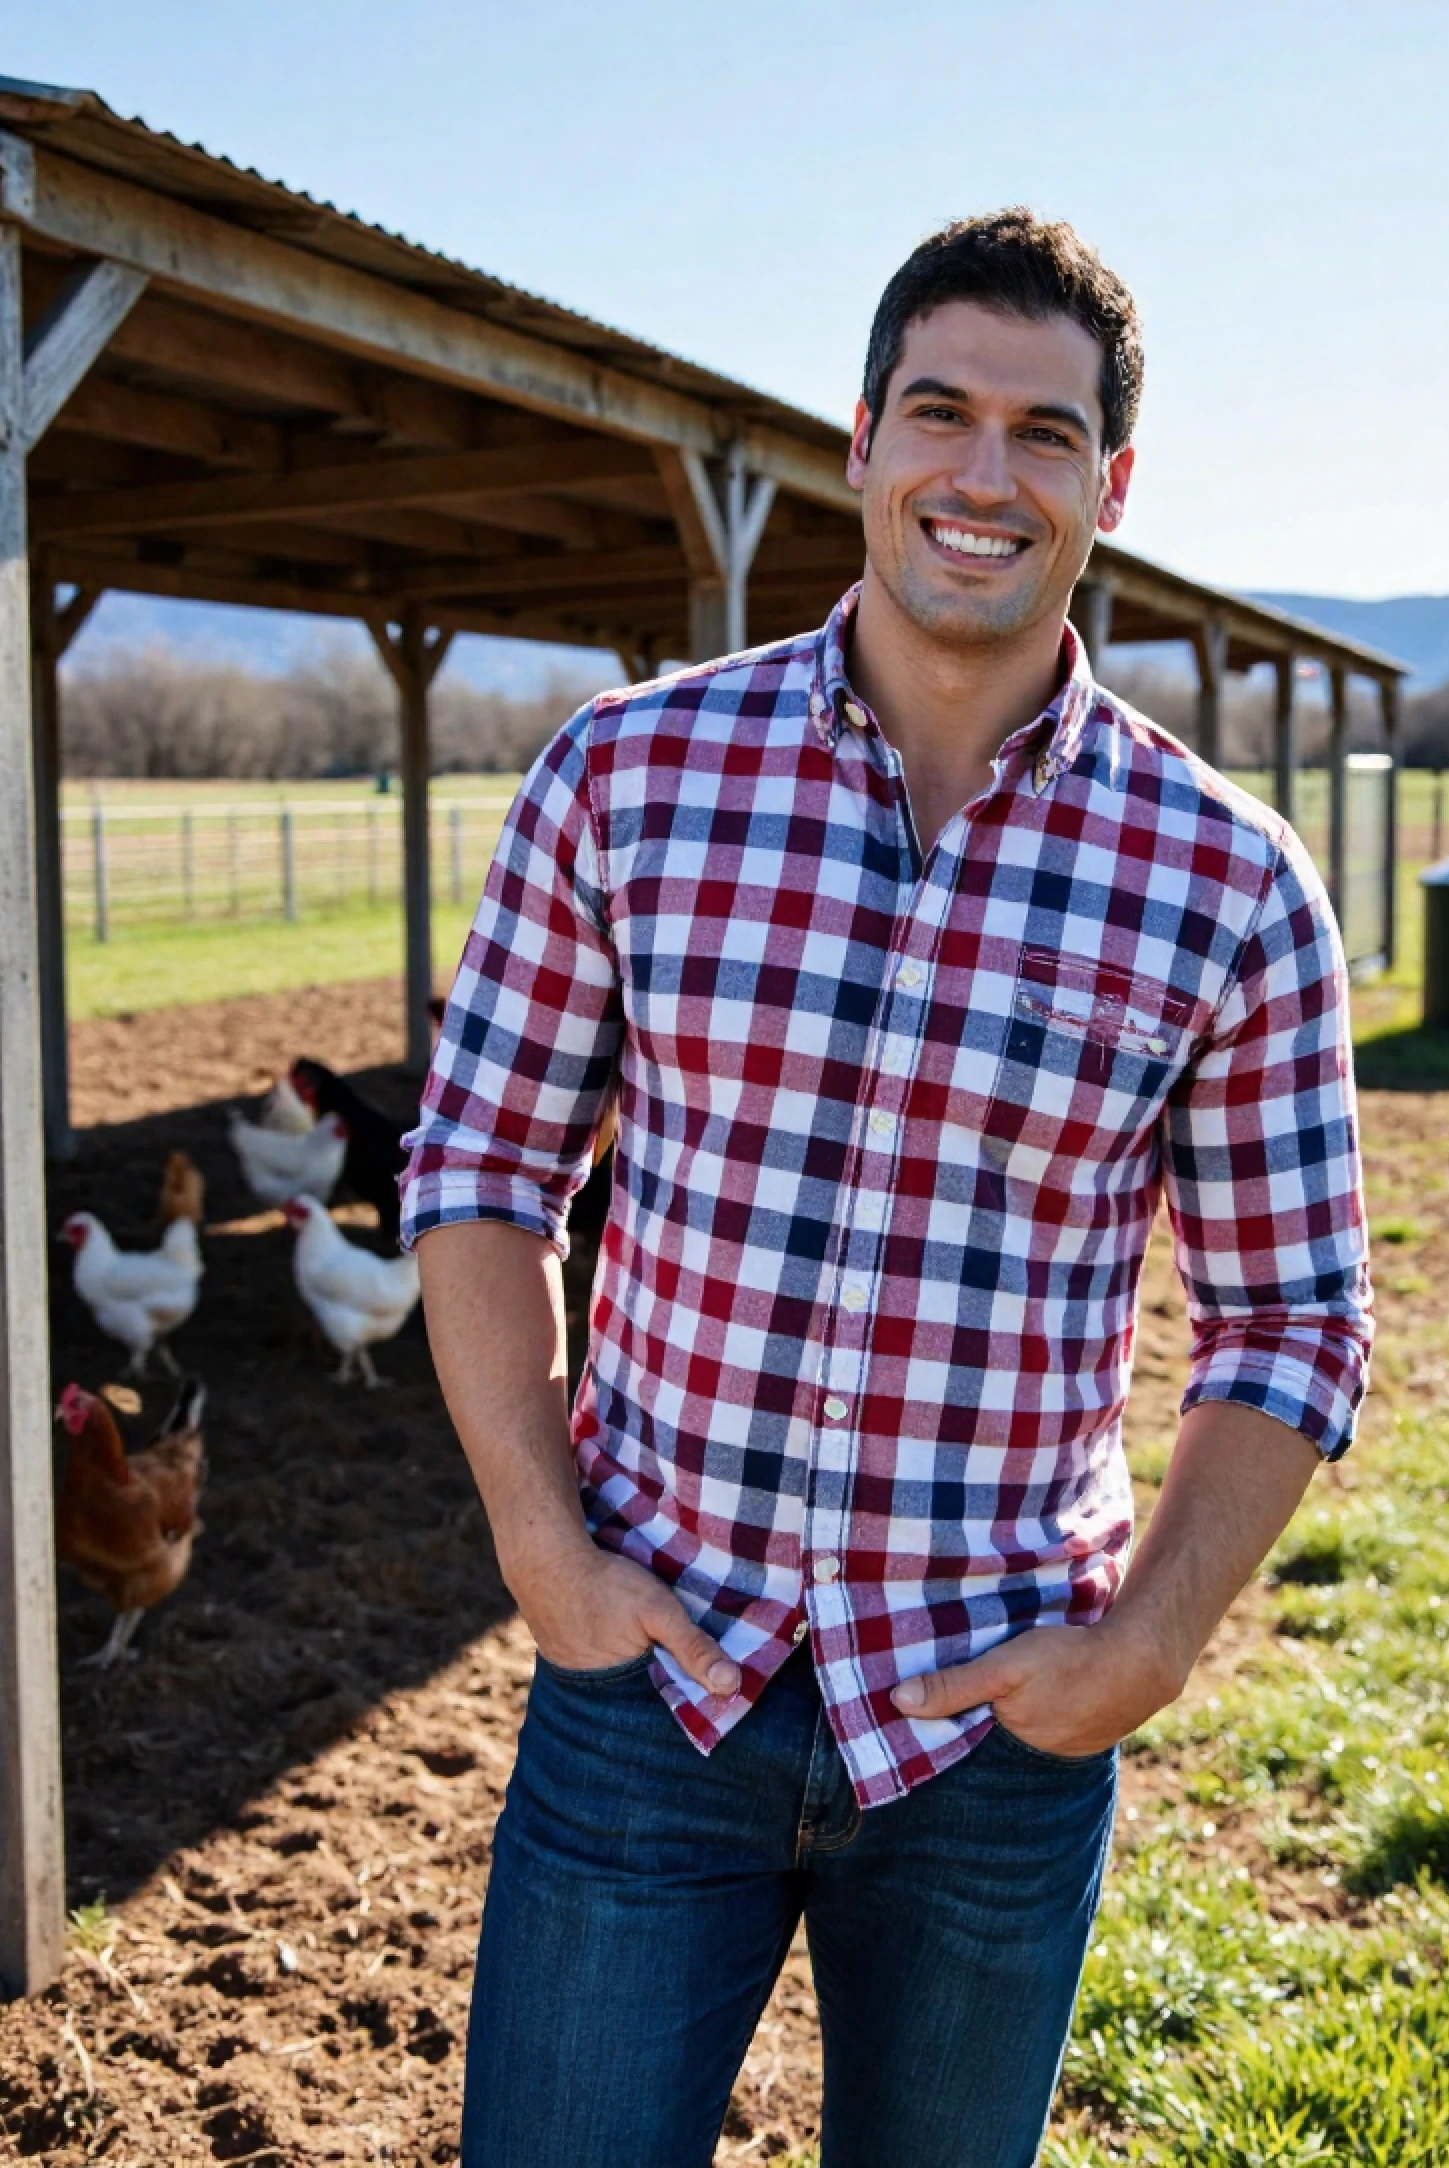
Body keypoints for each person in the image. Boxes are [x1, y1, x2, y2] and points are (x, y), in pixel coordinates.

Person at [401, 209, 1373, 2168]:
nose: (979, 475)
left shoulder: (1227, 881)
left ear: (1109, 484)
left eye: (1039, 432)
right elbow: (480, 1167)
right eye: (938, 412)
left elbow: (1289, 1316)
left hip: (991, 1731)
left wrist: (1150, 1646)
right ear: (855, 443)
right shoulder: (625, 778)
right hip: (647, 1681)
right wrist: (538, 1545)